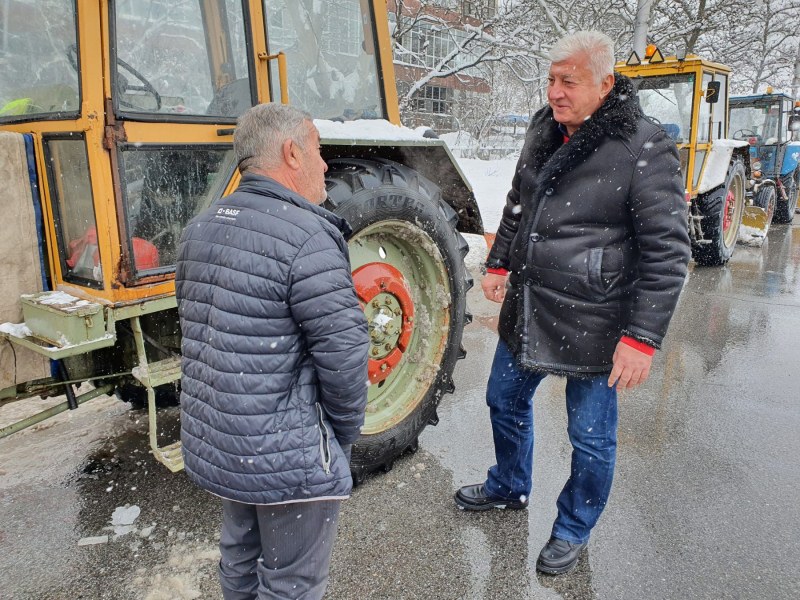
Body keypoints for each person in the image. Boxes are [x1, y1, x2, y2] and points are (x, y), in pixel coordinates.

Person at [454, 31, 691, 575]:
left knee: (590, 438)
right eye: (551, 79)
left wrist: (641, 339)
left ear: (606, 84)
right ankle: (509, 485)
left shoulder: (642, 145)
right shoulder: (545, 127)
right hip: (531, 302)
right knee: (503, 400)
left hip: (598, 319)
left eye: (569, 81)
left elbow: (667, 251)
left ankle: (572, 527)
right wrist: (499, 262)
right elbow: (520, 199)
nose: (555, 92)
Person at [175, 103, 369, 599]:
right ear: (291, 152)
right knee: (292, 583)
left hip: (228, 442)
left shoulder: (201, 228)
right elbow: (345, 356)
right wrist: (338, 438)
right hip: (286, 451)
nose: (325, 165)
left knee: (239, 562)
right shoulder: (308, 237)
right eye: (319, 150)